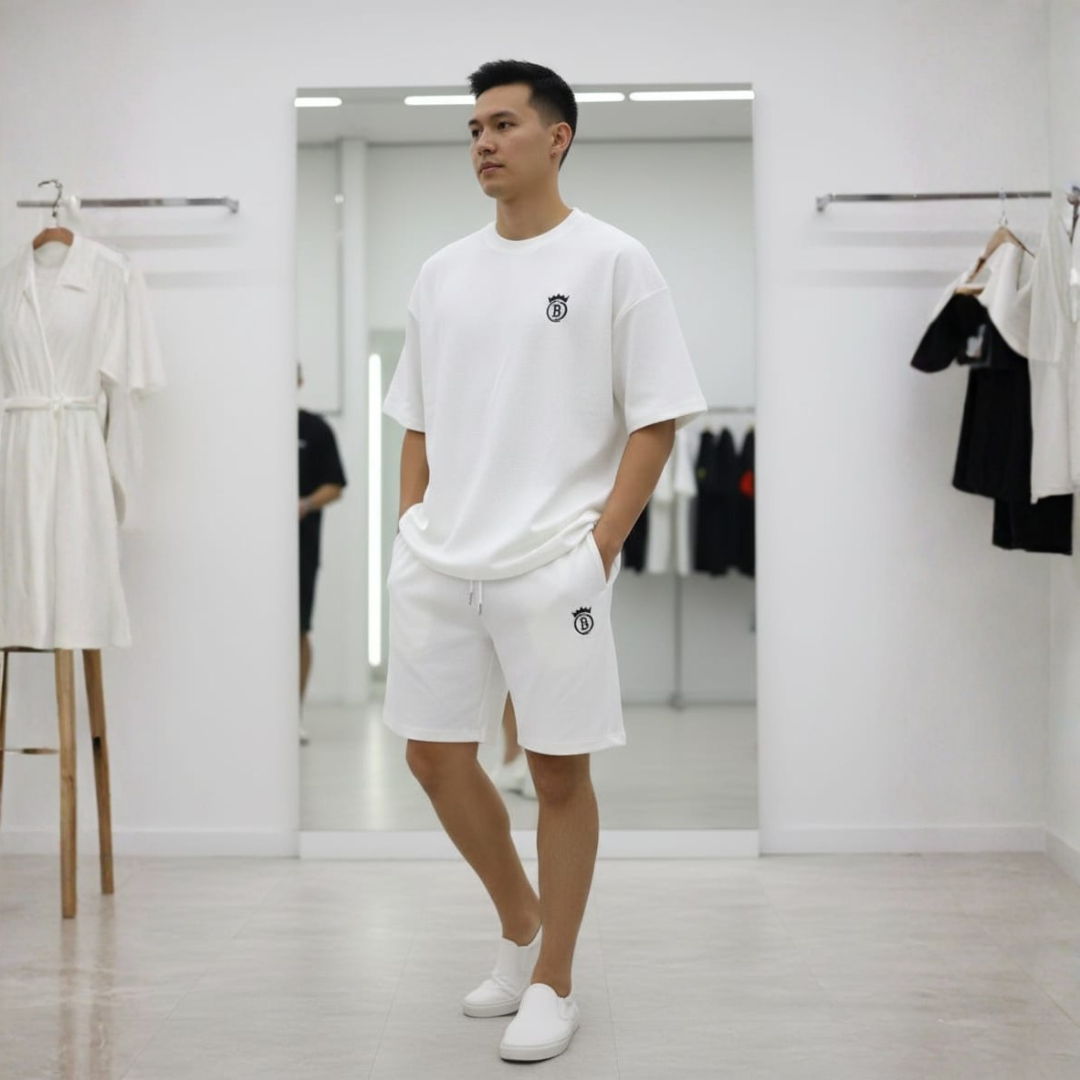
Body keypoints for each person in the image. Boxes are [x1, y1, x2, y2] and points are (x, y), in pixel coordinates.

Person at [381, 59, 706, 1063]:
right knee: (432, 755)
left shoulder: (614, 260)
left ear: (557, 138)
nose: (483, 142)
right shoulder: (442, 271)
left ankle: (555, 979)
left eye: (504, 124)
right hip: (441, 557)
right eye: (474, 128)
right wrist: (411, 524)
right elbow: (416, 418)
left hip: (553, 560)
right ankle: (522, 926)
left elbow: (657, 417)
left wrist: (599, 545)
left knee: (559, 769)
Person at [297, 364, 347, 742]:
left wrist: (305, 504)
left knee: (298, 628)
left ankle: (293, 713)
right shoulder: (252, 429)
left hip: (302, 548)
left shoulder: (315, 430)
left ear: (299, 379)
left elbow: (335, 485)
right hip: (251, 558)